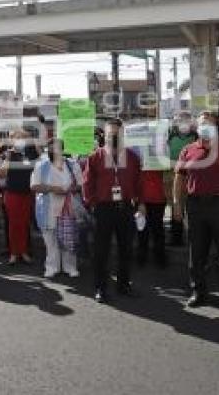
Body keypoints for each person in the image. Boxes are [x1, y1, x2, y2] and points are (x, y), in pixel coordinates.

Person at [174, 110, 219, 308]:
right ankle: (198, 291)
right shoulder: (187, 150)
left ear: (215, 128)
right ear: (197, 127)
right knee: (196, 252)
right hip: (195, 205)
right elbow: (179, 179)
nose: (205, 126)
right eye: (202, 123)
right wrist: (177, 204)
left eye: (209, 123)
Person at [83, 118, 145, 303]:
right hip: (103, 209)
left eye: (117, 134)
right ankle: (100, 288)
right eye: (110, 134)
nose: (114, 137)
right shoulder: (95, 157)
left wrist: (141, 203)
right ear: (105, 135)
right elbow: (87, 183)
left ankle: (124, 284)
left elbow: (139, 182)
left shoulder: (132, 157)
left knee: (126, 249)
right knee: (101, 251)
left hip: (125, 208)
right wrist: (92, 203)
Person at [31, 138, 84, 278]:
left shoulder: (72, 165)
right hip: (48, 208)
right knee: (51, 239)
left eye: (58, 148)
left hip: (68, 206)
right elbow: (34, 186)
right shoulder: (41, 166)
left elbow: (80, 184)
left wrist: (71, 189)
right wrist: (52, 188)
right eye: (51, 149)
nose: (54, 151)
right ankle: (52, 267)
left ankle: (70, 266)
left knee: (69, 238)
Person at [0, 131, 37, 265]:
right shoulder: (8, 154)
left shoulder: (30, 153)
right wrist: (8, 158)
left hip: (27, 193)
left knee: (25, 223)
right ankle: (14, 253)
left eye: (22, 138)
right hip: (12, 193)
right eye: (16, 138)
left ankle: (24, 251)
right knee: (14, 224)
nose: (20, 140)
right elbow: (0, 174)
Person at [165, 112, 196, 247]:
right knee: (175, 206)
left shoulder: (196, 137)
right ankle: (176, 237)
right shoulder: (169, 136)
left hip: (190, 178)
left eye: (185, 120)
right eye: (179, 120)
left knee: (191, 208)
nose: (182, 123)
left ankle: (194, 238)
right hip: (171, 176)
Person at [137, 169, 168, 267]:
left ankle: (159, 258)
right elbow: (137, 179)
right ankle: (142, 258)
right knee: (142, 230)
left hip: (158, 198)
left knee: (157, 230)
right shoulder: (139, 155)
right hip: (144, 200)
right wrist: (140, 201)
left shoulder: (163, 157)